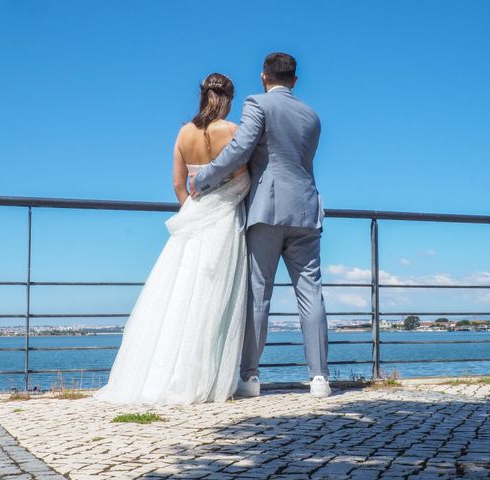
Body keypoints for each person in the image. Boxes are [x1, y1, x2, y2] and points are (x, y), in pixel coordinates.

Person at [95, 73, 250, 405]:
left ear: (202, 95)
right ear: (230, 99)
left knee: (178, 294)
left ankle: (162, 373)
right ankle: (204, 378)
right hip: (223, 221)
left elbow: (179, 184)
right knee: (214, 299)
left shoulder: (183, 132)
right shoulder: (233, 132)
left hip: (191, 218)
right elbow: (242, 182)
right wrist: (219, 206)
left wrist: (194, 209)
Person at [191, 52, 330, 398]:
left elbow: (240, 149)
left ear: (264, 77)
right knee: (311, 293)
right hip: (307, 211)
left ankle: (250, 377)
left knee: (258, 295)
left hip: (267, 210)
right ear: (295, 80)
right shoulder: (312, 116)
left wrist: (204, 178)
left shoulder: (258, 104)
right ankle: (319, 379)